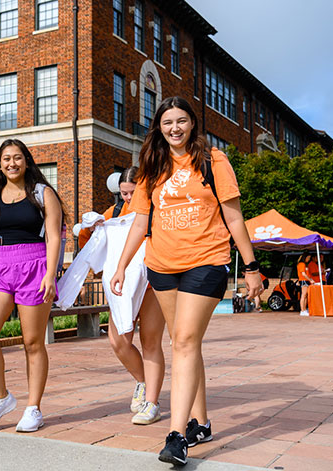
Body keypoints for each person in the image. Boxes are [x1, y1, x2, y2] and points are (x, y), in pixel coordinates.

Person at [110, 96, 262, 466]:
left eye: (181, 121)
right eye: (167, 122)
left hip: (207, 261)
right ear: (158, 127)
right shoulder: (152, 165)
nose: (174, 128)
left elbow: (234, 217)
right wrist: (121, 265)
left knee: (185, 342)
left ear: (192, 123)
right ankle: (203, 423)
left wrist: (252, 265)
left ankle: (177, 435)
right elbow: (141, 221)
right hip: (162, 264)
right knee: (183, 343)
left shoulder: (213, 160)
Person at [0, 138, 64, 433]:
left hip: (34, 265)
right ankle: (1, 397)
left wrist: (50, 274)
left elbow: (55, 236)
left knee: (32, 342)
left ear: (27, 161)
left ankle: (33, 407)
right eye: (7, 158)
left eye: (18, 157)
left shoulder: (42, 193)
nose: (12, 163)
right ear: (0, 164)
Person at [78, 167, 166, 425]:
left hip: (152, 282)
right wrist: (89, 228)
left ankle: (152, 401)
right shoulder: (114, 212)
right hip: (123, 282)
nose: (128, 198)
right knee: (118, 341)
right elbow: (90, 243)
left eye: (132, 193)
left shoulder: (156, 209)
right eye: (124, 193)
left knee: (151, 342)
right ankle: (142, 381)